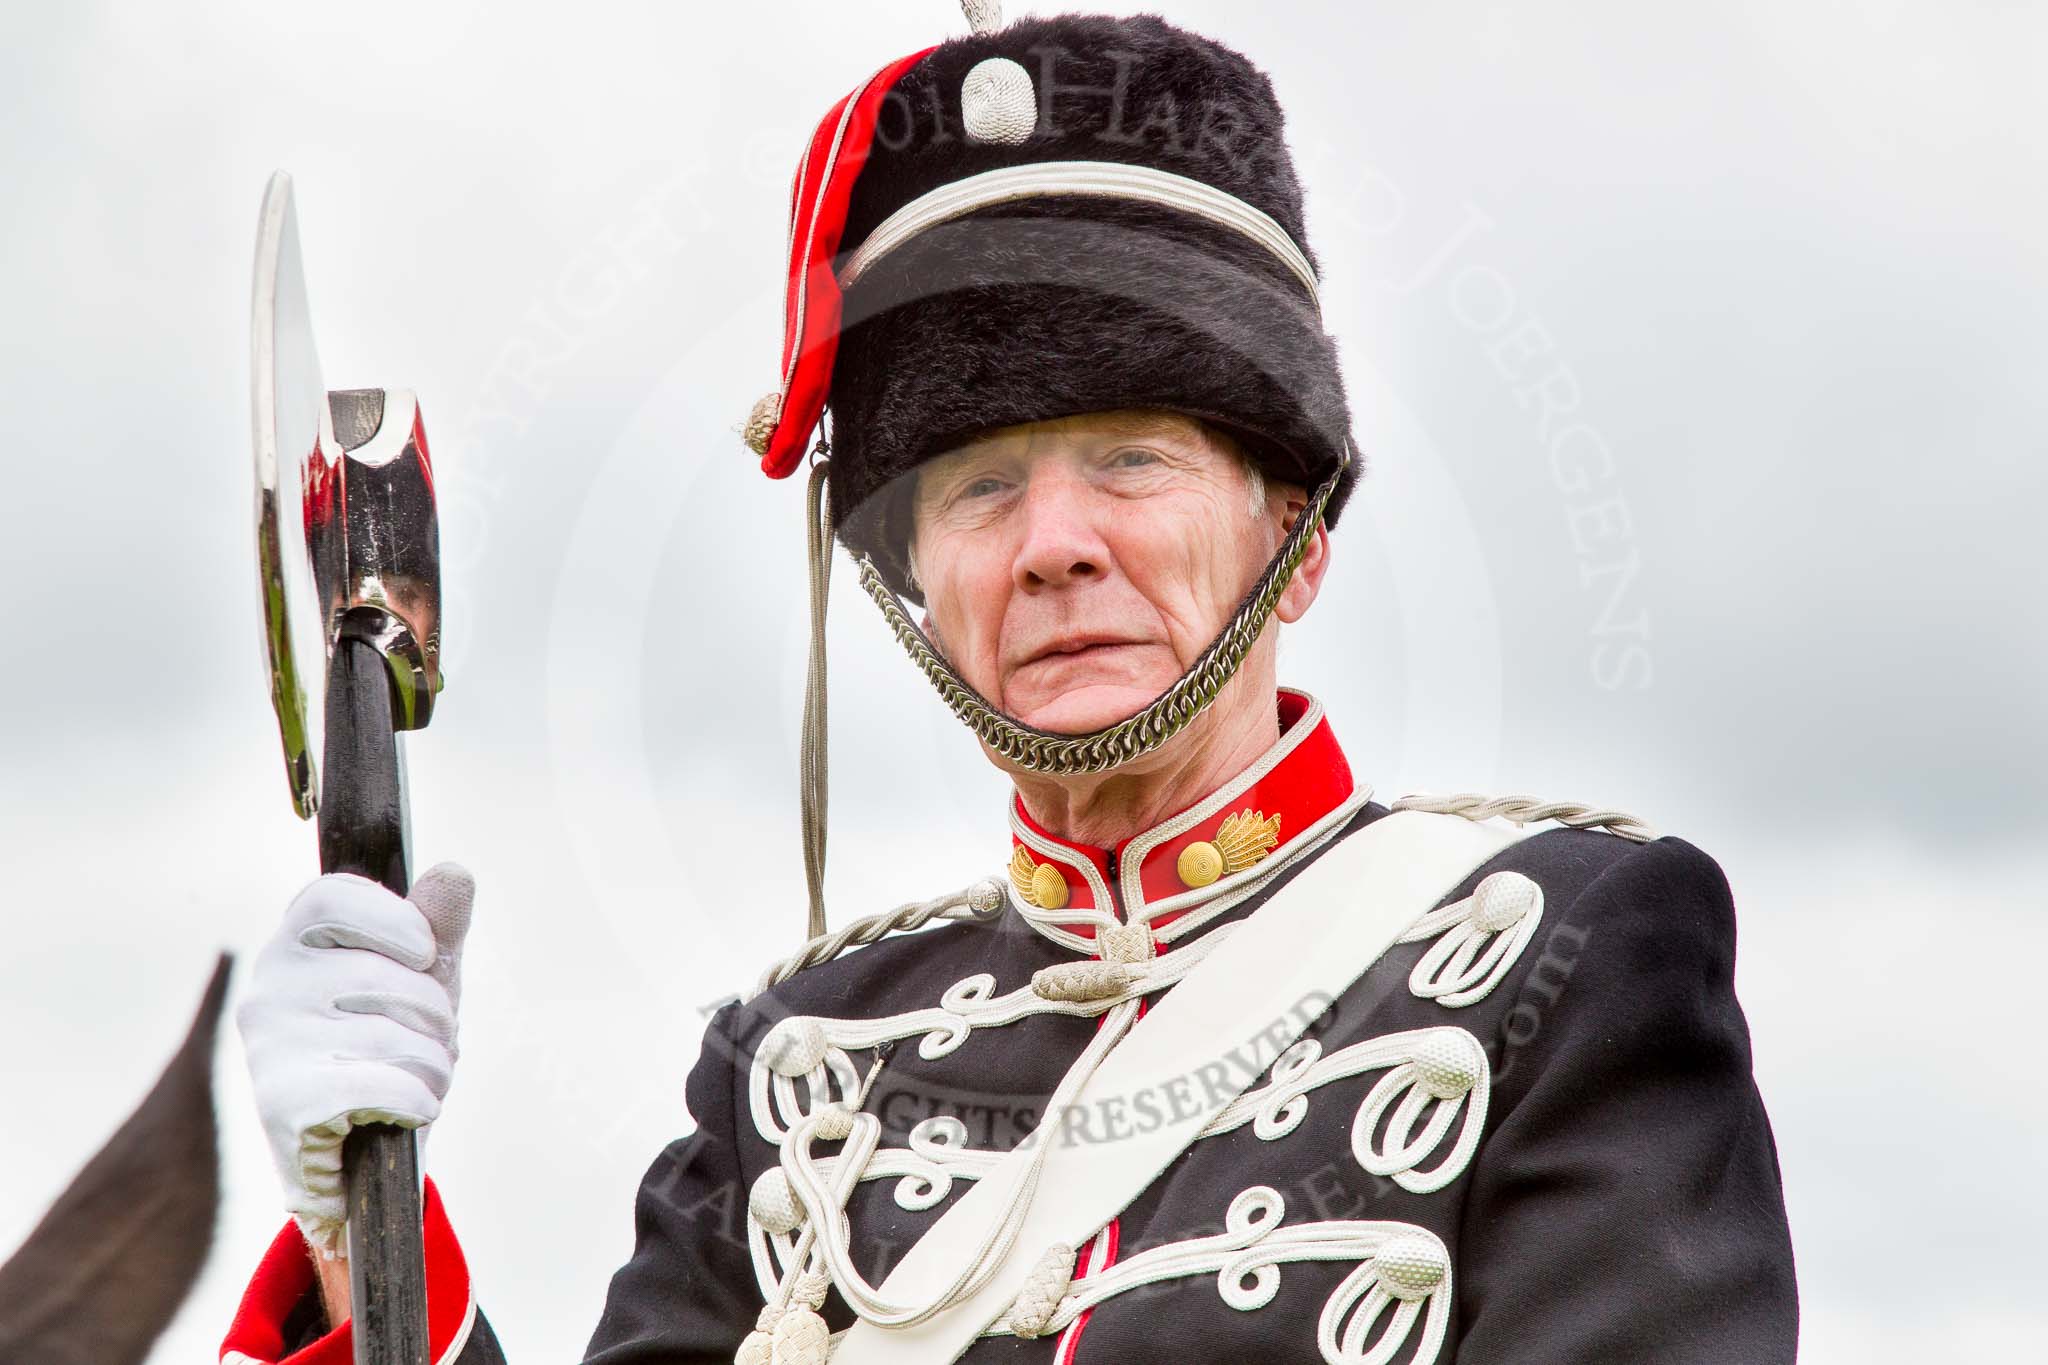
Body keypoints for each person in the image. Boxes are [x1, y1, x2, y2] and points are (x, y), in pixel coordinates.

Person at [222, 7, 1798, 1364]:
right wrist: (366, 1237)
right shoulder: (793, 1071)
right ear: (922, 586)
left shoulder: (1567, 961)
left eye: (1131, 460)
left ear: (1297, 541)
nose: (1054, 545)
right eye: (978, 490)